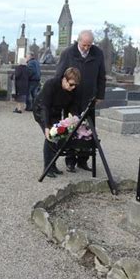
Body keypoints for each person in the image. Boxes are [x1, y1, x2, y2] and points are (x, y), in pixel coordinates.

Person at [54, 29, 106, 172]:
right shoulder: (68, 53)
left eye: (89, 45)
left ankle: (83, 160)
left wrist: (100, 95)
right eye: (84, 45)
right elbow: (60, 75)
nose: (86, 48)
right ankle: (70, 160)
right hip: (72, 97)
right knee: (71, 128)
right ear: (78, 41)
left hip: (90, 99)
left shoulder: (98, 53)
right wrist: (61, 94)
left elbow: (101, 76)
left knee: (88, 130)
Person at [34, 67, 81, 178]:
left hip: (55, 112)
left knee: (59, 136)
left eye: (75, 85)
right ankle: (47, 167)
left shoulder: (73, 89)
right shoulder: (51, 84)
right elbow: (45, 106)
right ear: (64, 79)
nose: (73, 87)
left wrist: (71, 119)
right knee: (51, 136)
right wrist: (46, 126)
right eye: (71, 84)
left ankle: (53, 165)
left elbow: (72, 106)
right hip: (41, 110)